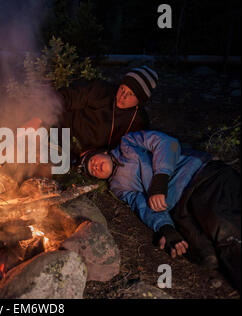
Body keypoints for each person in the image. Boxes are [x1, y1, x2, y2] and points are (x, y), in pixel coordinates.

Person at [80, 130, 241, 291]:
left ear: (104, 152)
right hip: (180, 207)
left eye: (92, 160)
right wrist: (165, 227)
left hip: (200, 175)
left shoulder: (127, 143)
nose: (94, 167)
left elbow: (167, 143)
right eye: (92, 171)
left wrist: (160, 182)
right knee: (205, 256)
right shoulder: (118, 187)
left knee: (223, 228)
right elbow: (142, 205)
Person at [26, 65, 158, 158]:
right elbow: (66, 97)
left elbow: (130, 150)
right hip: (58, 130)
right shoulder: (101, 91)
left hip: (82, 156)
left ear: (140, 101)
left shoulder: (139, 122)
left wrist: (100, 153)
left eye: (130, 94)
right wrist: (38, 117)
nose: (122, 96)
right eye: (122, 89)